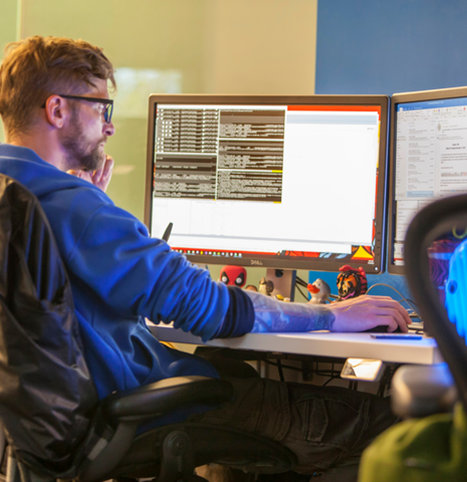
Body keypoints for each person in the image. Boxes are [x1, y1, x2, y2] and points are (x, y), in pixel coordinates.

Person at [0, 36, 411, 480]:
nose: (109, 126)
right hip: (132, 412)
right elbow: (210, 309)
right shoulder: (73, 208)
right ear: (57, 110)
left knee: (241, 377)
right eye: (101, 108)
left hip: (48, 429)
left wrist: (94, 209)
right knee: (395, 426)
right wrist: (332, 315)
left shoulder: (19, 195)